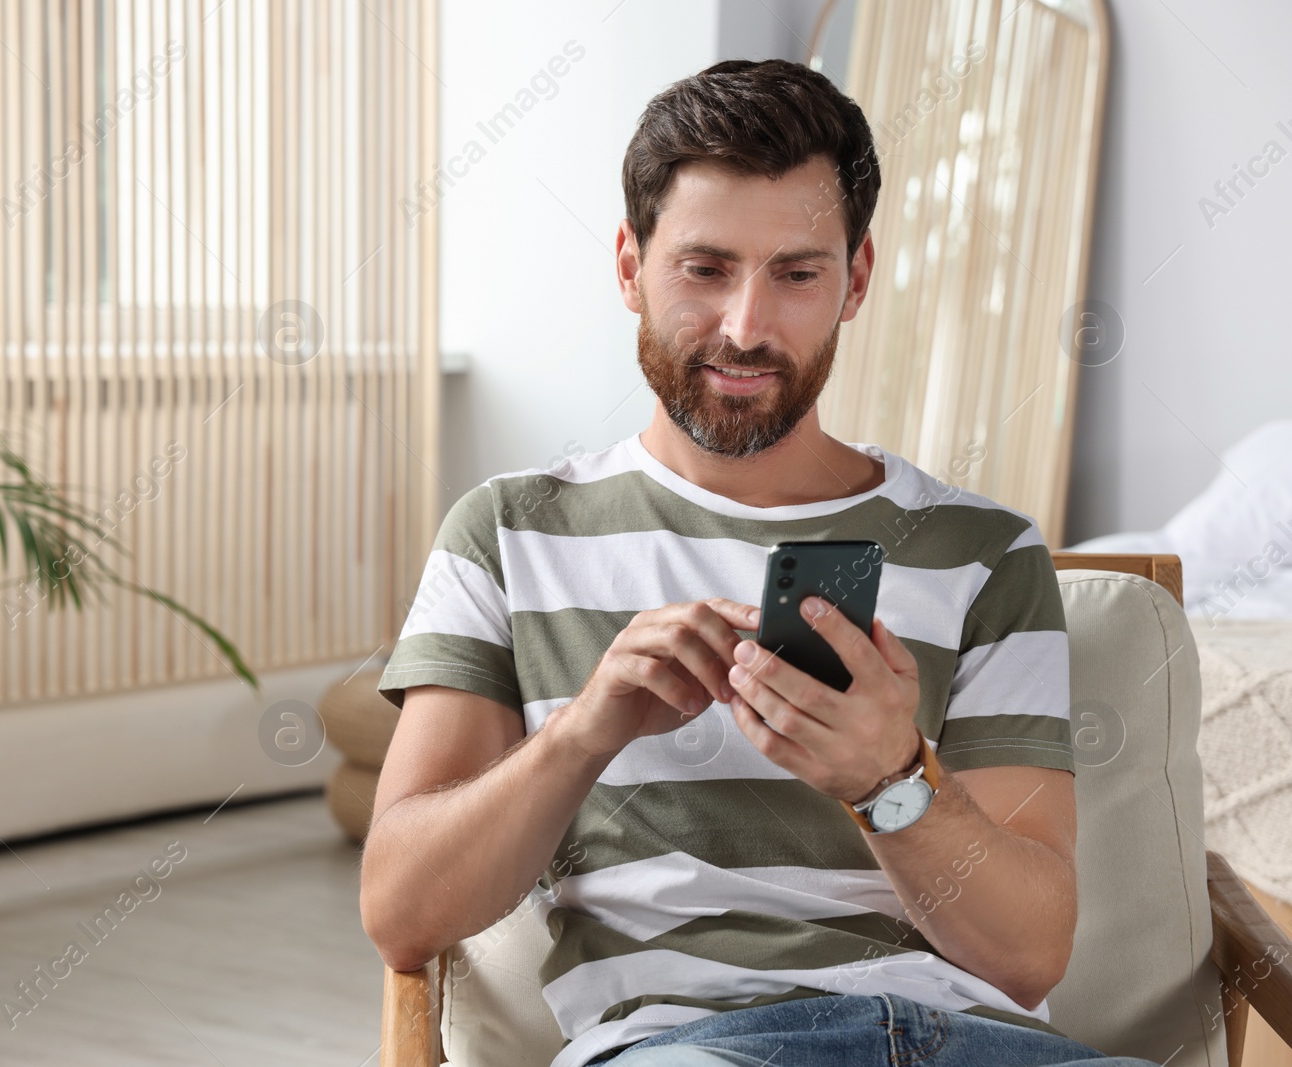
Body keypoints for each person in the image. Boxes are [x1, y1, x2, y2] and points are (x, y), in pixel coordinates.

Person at [360, 58, 1161, 1067]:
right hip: (688, 1045)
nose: (746, 325)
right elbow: (402, 912)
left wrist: (888, 777)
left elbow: (1028, 954)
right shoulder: (508, 534)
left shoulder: (981, 551)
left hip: (972, 1044)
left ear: (854, 281)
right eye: (703, 268)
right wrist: (585, 730)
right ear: (628, 267)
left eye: (796, 272)